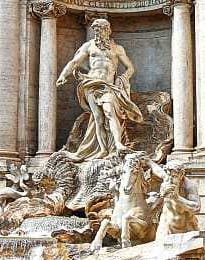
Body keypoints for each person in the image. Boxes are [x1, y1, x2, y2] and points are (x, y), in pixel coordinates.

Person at [56, 19, 144, 161]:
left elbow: (130, 67)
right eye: (95, 30)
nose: (97, 32)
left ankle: (118, 144)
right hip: (91, 84)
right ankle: (103, 150)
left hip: (108, 86)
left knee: (109, 112)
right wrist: (63, 75)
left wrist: (122, 78)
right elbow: (74, 62)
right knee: (97, 118)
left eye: (100, 29)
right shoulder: (89, 46)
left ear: (107, 30)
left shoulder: (117, 49)